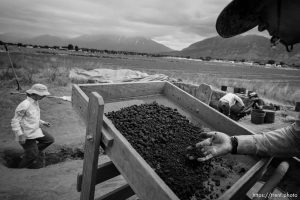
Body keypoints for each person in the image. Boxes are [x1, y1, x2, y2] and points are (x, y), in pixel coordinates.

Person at [195, 0, 300, 160]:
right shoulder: (238, 99)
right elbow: (295, 139)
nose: (261, 27)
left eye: (264, 13)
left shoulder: (245, 100)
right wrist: (233, 143)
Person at [11, 84, 55, 168]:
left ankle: (29, 153)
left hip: (35, 129)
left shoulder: (35, 102)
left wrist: (43, 122)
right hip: (25, 133)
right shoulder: (24, 105)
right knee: (32, 156)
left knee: (49, 140)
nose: (45, 96)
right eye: (42, 94)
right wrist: (20, 135)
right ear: (34, 94)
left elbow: (32, 117)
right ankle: (20, 169)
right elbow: (15, 121)